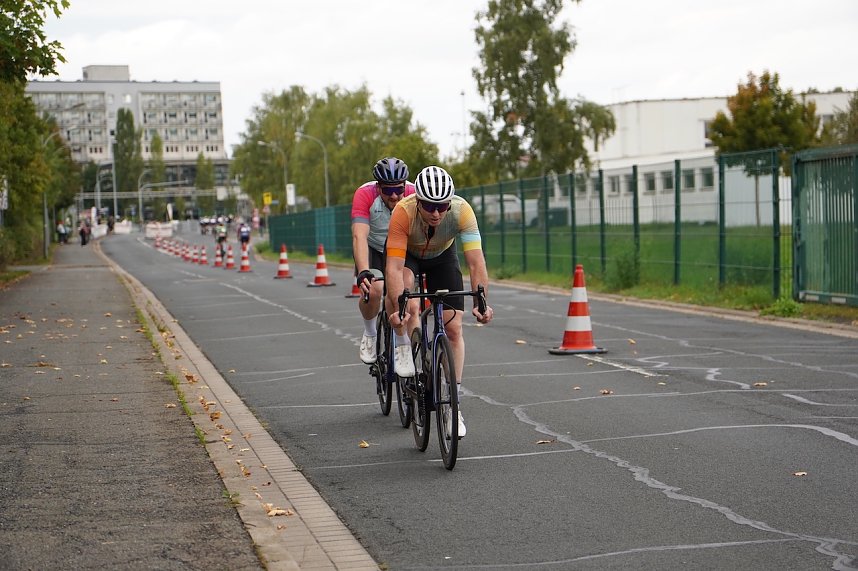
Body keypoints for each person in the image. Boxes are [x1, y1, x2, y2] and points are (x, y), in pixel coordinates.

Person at [385, 165, 493, 438]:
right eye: (430, 206)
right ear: (418, 201)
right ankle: (405, 346)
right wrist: (398, 306)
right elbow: (395, 268)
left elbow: (475, 260)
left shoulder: (461, 211)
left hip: (443, 257)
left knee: (453, 327)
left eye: (442, 206)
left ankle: (453, 406)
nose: (436, 213)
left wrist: (481, 302)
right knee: (409, 300)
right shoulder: (403, 211)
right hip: (410, 256)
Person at [351, 157, 417, 364]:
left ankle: (403, 344)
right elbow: (359, 236)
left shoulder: (413, 194)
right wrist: (363, 272)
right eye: (388, 191)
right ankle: (370, 333)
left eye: (399, 189)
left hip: (401, 250)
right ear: (378, 188)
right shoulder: (365, 194)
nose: (395, 196)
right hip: (375, 248)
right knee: (375, 289)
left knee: (404, 292)